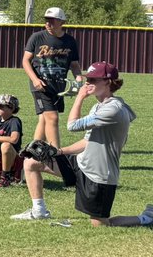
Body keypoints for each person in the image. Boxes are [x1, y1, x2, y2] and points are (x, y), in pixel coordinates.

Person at [12, 61, 140, 225]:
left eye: (93, 80)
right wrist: (58, 151)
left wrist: (79, 97)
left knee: (100, 224)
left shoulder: (113, 109)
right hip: (82, 163)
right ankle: (39, 211)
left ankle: (145, 218)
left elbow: (72, 126)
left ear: (108, 82)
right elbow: (87, 141)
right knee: (31, 163)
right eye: (88, 79)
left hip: (99, 173)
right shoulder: (99, 106)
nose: (88, 83)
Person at [21, 7, 83, 149]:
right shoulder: (37, 37)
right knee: (52, 118)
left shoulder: (70, 41)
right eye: (46, 20)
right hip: (41, 85)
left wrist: (79, 79)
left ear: (62, 22)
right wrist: (35, 80)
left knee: (44, 119)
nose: (48, 23)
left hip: (59, 87)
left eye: (52, 20)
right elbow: (25, 61)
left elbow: (74, 65)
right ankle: (56, 155)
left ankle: (33, 152)